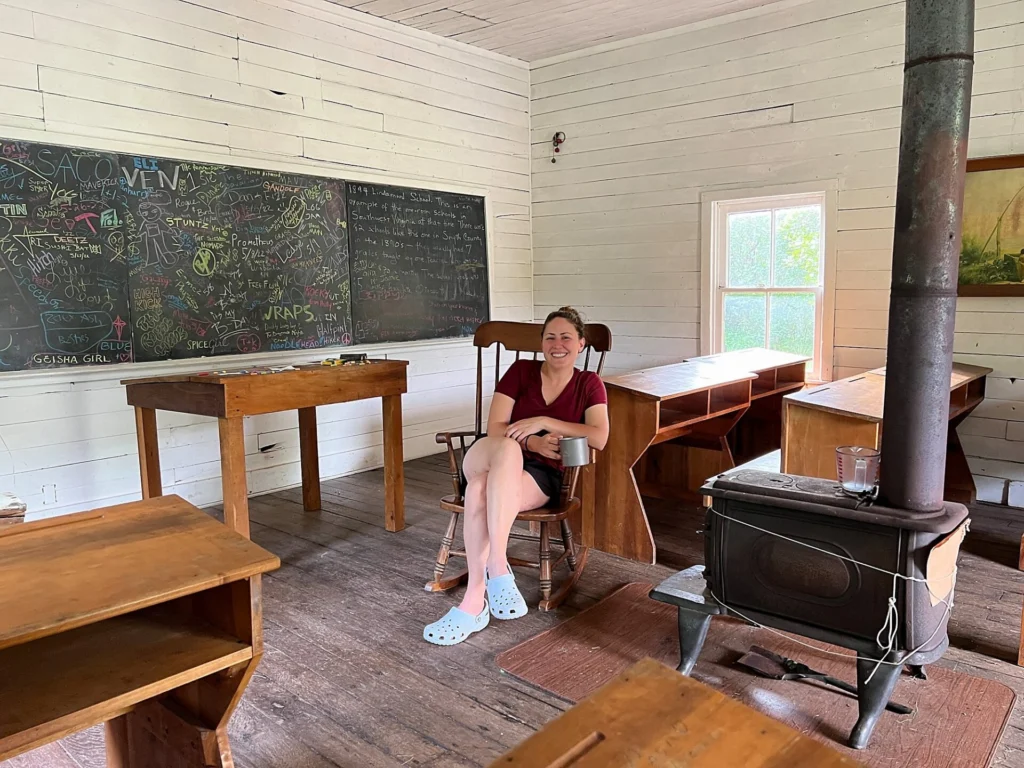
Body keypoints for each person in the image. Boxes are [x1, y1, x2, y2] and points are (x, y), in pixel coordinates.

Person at [423, 307, 609, 646]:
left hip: (540, 476)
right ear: (542, 343)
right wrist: (533, 442)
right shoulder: (521, 371)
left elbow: (599, 436)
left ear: (580, 343)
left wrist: (545, 421)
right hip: (490, 454)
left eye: (566, 337)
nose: (557, 344)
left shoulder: (588, 383)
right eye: (550, 337)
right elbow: (495, 428)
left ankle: (473, 602)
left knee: (479, 491)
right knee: (506, 450)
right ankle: (498, 564)